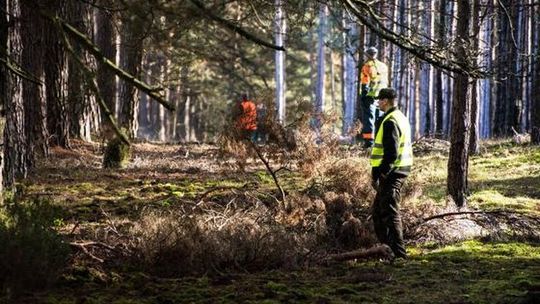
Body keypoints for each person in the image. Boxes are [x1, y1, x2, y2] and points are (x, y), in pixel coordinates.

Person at [370, 88, 413, 260]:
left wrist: (382, 173)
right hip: (398, 169)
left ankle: (399, 255)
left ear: (386, 101)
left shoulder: (389, 121)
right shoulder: (399, 116)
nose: (378, 103)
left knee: (389, 213)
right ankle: (387, 252)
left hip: (393, 172)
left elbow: (391, 153)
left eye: (379, 100)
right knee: (379, 213)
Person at [358, 46, 389, 148]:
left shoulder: (367, 66)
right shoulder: (383, 66)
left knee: (369, 120)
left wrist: (363, 96)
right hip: (382, 98)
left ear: (367, 55)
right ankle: (380, 142)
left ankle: (369, 144)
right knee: (379, 120)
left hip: (370, 97)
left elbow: (365, 83)